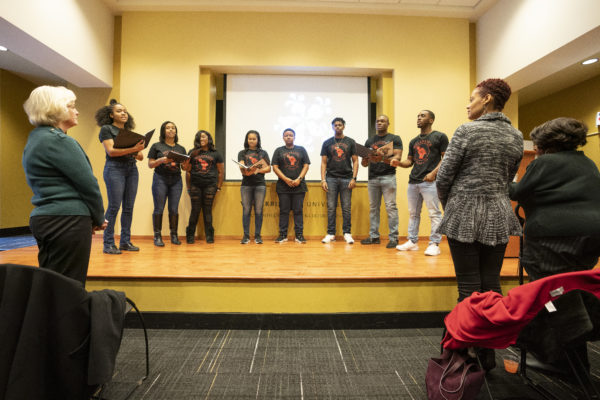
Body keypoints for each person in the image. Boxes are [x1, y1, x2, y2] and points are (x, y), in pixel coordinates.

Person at [437, 78, 523, 302]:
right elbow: (508, 177)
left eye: (471, 99)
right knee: (492, 282)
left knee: (468, 285)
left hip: (463, 212)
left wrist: (450, 205)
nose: (468, 105)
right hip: (499, 212)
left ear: (487, 99)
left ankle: (467, 335)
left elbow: (444, 176)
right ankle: (496, 334)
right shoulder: (516, 135)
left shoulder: (466, 131)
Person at [22, 86, 106, 284]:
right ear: (55, 109)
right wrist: (98, 217)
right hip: (67, 221)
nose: (76, 111)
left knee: (51, 285)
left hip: (46, 218)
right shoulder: (59, 141)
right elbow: (88, 185)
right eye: (71, 106)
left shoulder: (36, 138)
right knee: (69, 287)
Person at [509, 117, 600, 281]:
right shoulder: (589, 163)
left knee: (548, 287)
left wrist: (501, 182)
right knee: (577, 283)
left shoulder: (544, 162)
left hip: (552, 237)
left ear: (546, 144)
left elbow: (517, 193)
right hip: (592, 236)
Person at [96, 99, 145, 254]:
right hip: (114, 169)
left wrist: (137, 150)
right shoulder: (106, 129)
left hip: (131, 169)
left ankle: (125, 242)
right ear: (111, 115)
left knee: (128, 208)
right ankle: (108, 243)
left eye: (124, 111)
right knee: (114, 206)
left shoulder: (129, 133)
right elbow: (111, 151)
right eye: (119, 111)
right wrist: (132, 148)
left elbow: (141, 157)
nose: (123, 113)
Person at [397, 110, 448, 256]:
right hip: (413, 182)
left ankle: (434, 244)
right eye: (418, 116)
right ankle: (412, 242)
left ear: (431, 120)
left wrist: (433, 173)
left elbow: (446, 158)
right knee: (413, 213)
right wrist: (399, 163)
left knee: (434, 213)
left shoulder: (440, 137)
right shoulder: (414, 141)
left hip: (430, 182)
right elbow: (409, 161)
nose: (419, 118)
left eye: (422, 116)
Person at [360, 115, 403, 248]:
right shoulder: (369, 141)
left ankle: (394, 238)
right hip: (372, 178)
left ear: (388, 123)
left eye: (382, 121)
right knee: (373, 209)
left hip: (388, 177)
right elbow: (364, 164)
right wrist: (366, 158)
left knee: (391, 208)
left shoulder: (394, 138)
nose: (379, 123)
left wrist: (381, 154)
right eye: (377, 121)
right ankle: (374, 237)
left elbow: (398, 156)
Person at [147, 121, 187, 246]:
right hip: (160, 179)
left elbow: (185, 168)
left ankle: (174, 236)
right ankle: (157, 237)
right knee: (159, 208)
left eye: (173, 128)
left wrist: (186, 163)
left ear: (176, 131)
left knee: (173, 209)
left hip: (176, 180)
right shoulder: (156, 146)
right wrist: (162, 160)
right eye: (168, 128)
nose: (170, 130)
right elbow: (150, 164)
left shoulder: (181, 148)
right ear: (163, 131)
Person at [320, 117, 358, 244]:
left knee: (346, 207)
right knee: (331, 207)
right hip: (330, 178)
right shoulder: (327, 143)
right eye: (335, 125)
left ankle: (347, 233)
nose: (337, 127)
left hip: (347, 178)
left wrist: (354, 178)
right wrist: (323, 180)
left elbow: (355, 161)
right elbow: (323, 163)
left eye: (340, 125)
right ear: (332, 127)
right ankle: (331, 234)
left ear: (344, 126)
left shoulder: (351, 142)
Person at [272, 128, 310, 243]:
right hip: (283, 187)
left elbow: (306, 165)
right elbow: (275, 167)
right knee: (284, 211)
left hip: (299, 186)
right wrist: (286, 179)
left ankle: (299, 235)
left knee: (298, 211)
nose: (288, 137)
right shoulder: (278, 151)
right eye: (286, 135)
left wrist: (299, 178)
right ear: (283, 138)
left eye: (291, 135)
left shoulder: (301, 149)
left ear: (294, 137)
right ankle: (282, 235)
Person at [186, 130, 224, 244]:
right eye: (199, 137)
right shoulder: (192, 152)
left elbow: (221, 172)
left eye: (204, 137)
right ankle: (190, 235)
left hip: (210, 185)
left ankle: (209, 236)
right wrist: (188, 187)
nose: (201, 139)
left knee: (207, 210)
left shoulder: (216, 153)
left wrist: (219, 187)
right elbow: (187, 171)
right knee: (195, 210)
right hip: (195, 185)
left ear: (209, 138)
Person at [238, 130, 271, 244]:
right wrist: (245, 168)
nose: (251, 141)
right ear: (247, 140)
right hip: (246, 185)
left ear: (258, 140)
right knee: (246, 210)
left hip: (260, 185)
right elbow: (241, 166)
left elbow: (268, 168)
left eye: (254, 139)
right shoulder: (242, 152)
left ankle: (258, 236)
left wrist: (257, 170)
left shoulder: (263, 153)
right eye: (249, 139)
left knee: (258, 211)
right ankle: (246, 236)